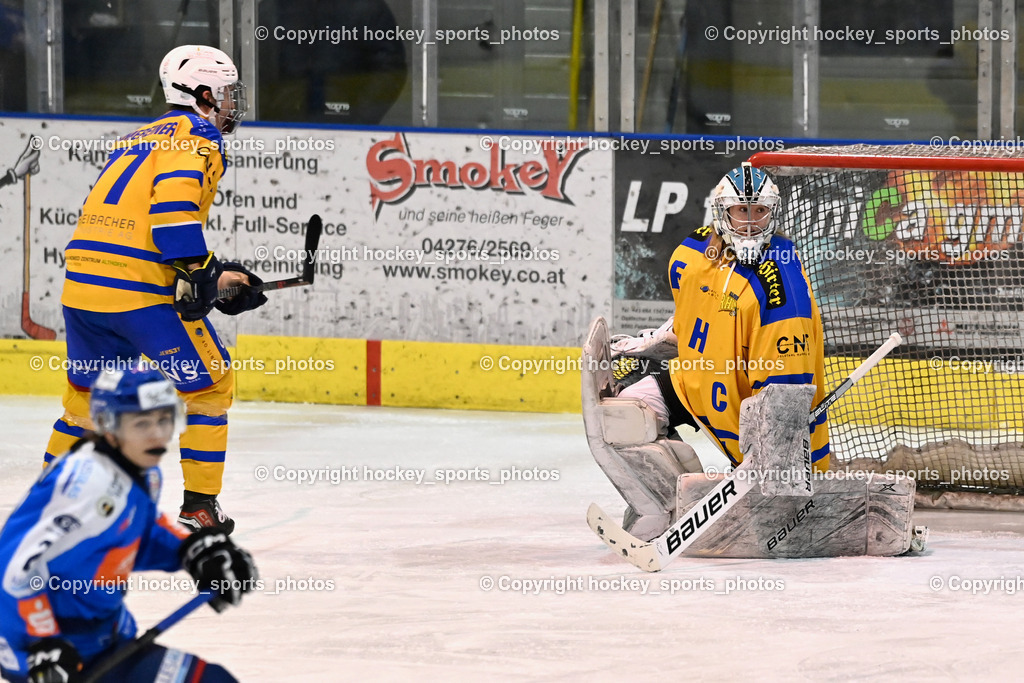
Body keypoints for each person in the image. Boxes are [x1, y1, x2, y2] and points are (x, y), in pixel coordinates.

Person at [43, 45, 267, 534]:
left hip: (83, 287)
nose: (232, 103)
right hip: (138, 293)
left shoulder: (136, 138)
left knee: (86, 399)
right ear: (204, 94)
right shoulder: (200, 136)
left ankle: (48, 504)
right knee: (209, 385)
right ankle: (200, 508)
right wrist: (206, 276)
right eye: (226, 93)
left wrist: (214, 273)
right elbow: (171, 222)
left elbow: (135, 226)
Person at [585, 162, 830, 539]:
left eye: (759, 211)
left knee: (776, 510)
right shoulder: (695, 252)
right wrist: (664, 340)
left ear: (773, 214)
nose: (749, 222)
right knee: (622, 417)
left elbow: (787, 393)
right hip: (694, 381)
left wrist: (772, 457)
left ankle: (738, 498)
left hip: (745, 411)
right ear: (722, 213)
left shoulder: (784, 290)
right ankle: (668, 507)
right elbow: (695, 311)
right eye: (740, 210)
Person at [0, 364, 257, 683]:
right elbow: (13, 567)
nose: (157, 434)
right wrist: (41, 643)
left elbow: (138, 534)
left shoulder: (142, 472)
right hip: (56, 658)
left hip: (108, 641)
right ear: (109, 426)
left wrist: (192, 551)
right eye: (142, 423)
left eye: (165, 420)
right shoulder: (86, 485)